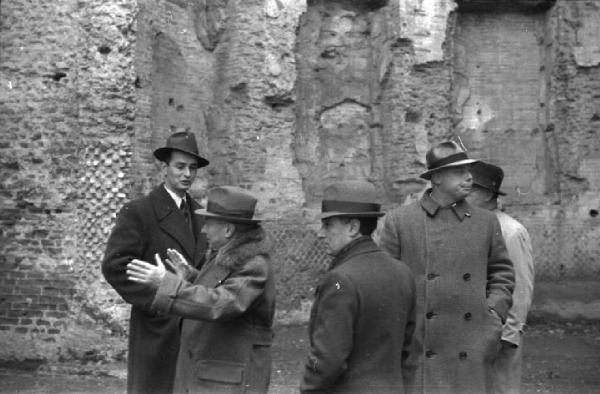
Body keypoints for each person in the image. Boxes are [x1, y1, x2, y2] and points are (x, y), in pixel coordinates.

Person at [377, 141, 515, 394]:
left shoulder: (485, 221)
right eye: (460, 171)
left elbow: (502, 274)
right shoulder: (400, 221)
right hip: (418, 347)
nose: (469, 177)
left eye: (469, 171)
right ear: (437, 178)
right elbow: (385, 283)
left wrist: (492, 317)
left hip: (471, 344)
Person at [126, 186, 275, 393]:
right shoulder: (225, 255)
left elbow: (223, 303)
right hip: (213, 376)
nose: (203, 230)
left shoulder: (254, 265)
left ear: (228, 230)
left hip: (228, 381)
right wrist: (190, 277)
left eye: (208, 223)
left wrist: (167, 283)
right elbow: (219, 288)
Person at [102, 131, 210, 394]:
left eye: (192, 168)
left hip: (193, 327)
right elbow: (115, 266)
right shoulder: (139, 211)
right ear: (164, 169)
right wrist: (159, 299)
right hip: (157, 328)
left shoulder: (201, 215)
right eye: (180, 166)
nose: (187, 174)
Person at [301, 181, 417, 393]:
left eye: (328, 225)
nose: (321, 233)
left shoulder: (339, 280)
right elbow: (409, 351)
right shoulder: (403, 273)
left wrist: (308, 388)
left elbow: (327, 358)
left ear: (353, 227)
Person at [466, 161, 534, 394]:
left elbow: (521, 287)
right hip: (469, 332)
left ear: (486, 194)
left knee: (500, 388)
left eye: (469, 188)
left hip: (499, 334)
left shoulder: (510, 231)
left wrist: (508, 334)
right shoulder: (467, 226)